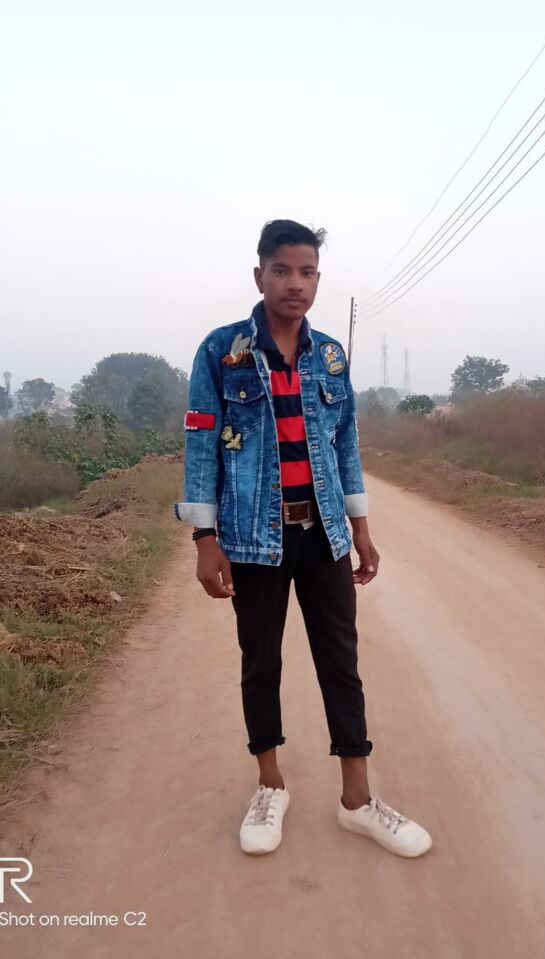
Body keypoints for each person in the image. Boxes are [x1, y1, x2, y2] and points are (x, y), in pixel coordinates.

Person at [174, 219, 432, 858]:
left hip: (325, 536)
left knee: (341, 662)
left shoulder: (330, 357)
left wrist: (361, 527)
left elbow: (344, 446)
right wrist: (204, 536)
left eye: (307, 272)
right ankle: (270, 786)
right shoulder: (222, 351)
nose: (296, 283)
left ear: (318, 278)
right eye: (283, 270)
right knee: (260, 661)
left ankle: (357, 800)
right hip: (251, 540)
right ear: (259, 275)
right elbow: (201, 441)